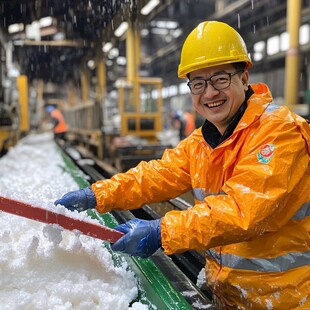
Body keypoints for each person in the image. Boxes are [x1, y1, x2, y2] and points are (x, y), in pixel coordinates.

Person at [54, 21, 310, 309]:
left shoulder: (279, 132)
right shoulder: (202, 142)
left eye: (221, 79)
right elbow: (155, 176)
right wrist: (97, 195)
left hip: (285, 299)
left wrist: (163, 231)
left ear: (244, 77)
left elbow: (243, 211)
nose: (209, 93)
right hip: (229, 296)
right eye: (198, 83)